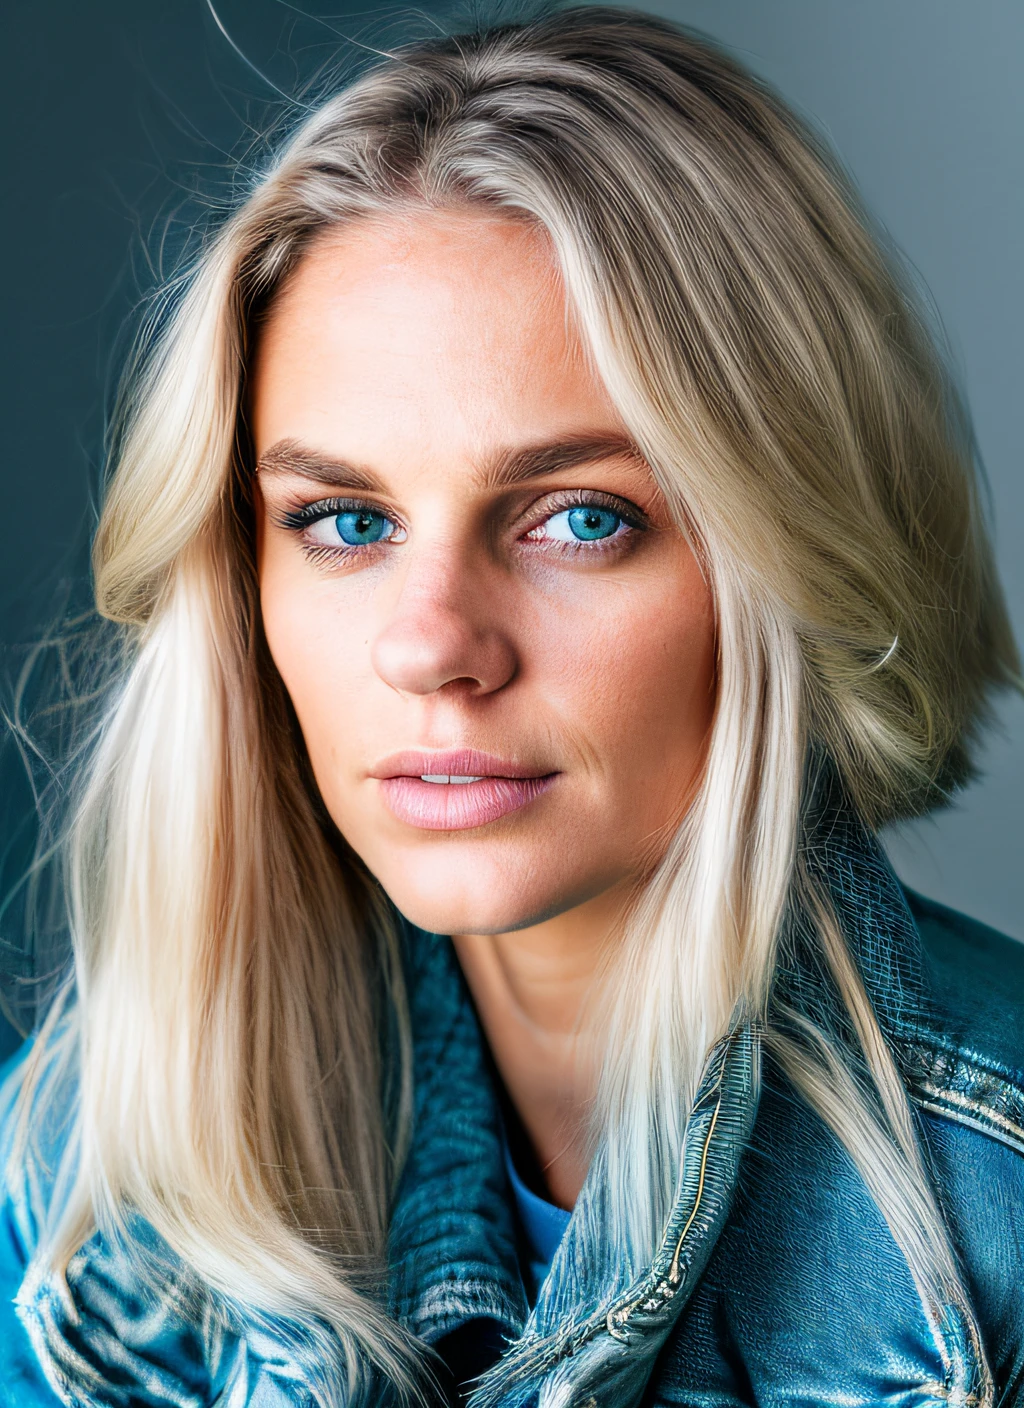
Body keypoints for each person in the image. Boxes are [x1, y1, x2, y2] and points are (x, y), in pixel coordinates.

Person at [1, 6, 1022, 1406]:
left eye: (580, 519)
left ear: (788, 556)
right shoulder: (88, 1171)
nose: (434, 648)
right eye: (346, 521)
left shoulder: (999, 1209)